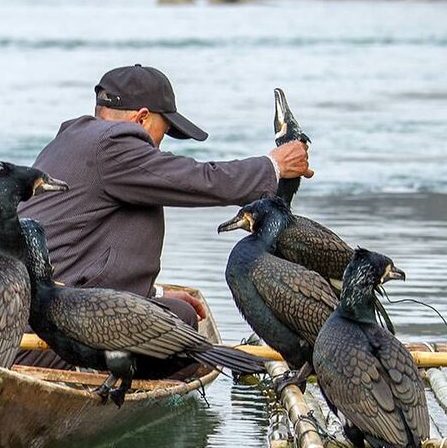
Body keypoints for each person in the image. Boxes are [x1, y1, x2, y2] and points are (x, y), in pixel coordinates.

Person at [22, 63, 312, 329]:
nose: (159, 147)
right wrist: (275, 166)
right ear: (142, 119)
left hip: (34, 307)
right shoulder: (115, 143)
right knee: (183, 321)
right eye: (165, 131)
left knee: (173, 306)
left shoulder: (71, 141)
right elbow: (201, 180)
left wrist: (154, 292)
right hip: (54, 327)